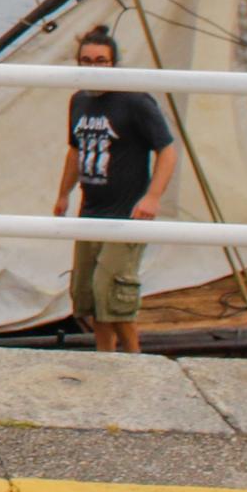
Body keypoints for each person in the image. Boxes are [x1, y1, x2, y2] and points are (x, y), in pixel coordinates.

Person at [52, 25, 179, 354]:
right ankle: (105, 358)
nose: (93, 67)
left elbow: (167, 150)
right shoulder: (78, 101)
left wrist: (152, 197)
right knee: (89, 294)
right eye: (86, 61)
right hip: (91, 210)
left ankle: (134, 359)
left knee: (113, 292)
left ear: (114, 63)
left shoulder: (134, 100)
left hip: (126, 212)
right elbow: (75, 151)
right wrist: (63, 194)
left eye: (101, 61)